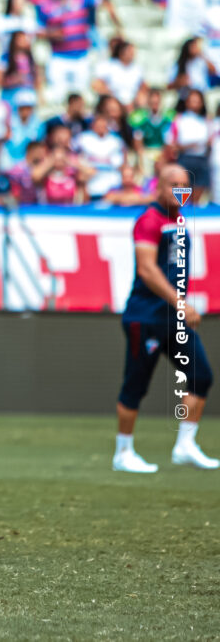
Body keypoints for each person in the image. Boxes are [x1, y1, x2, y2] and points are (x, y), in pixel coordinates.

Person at [114, 165, 217, 472]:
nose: (180, 191)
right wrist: (181, 303)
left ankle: (185, 444)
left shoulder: (179, 219)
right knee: (135, 385)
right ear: (159, 187)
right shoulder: (149, 220)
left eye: (184, 185)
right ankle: (123, 452)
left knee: (201, 376)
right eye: (174, 185)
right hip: (145, 317)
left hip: (172, 318)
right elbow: (147, 270)